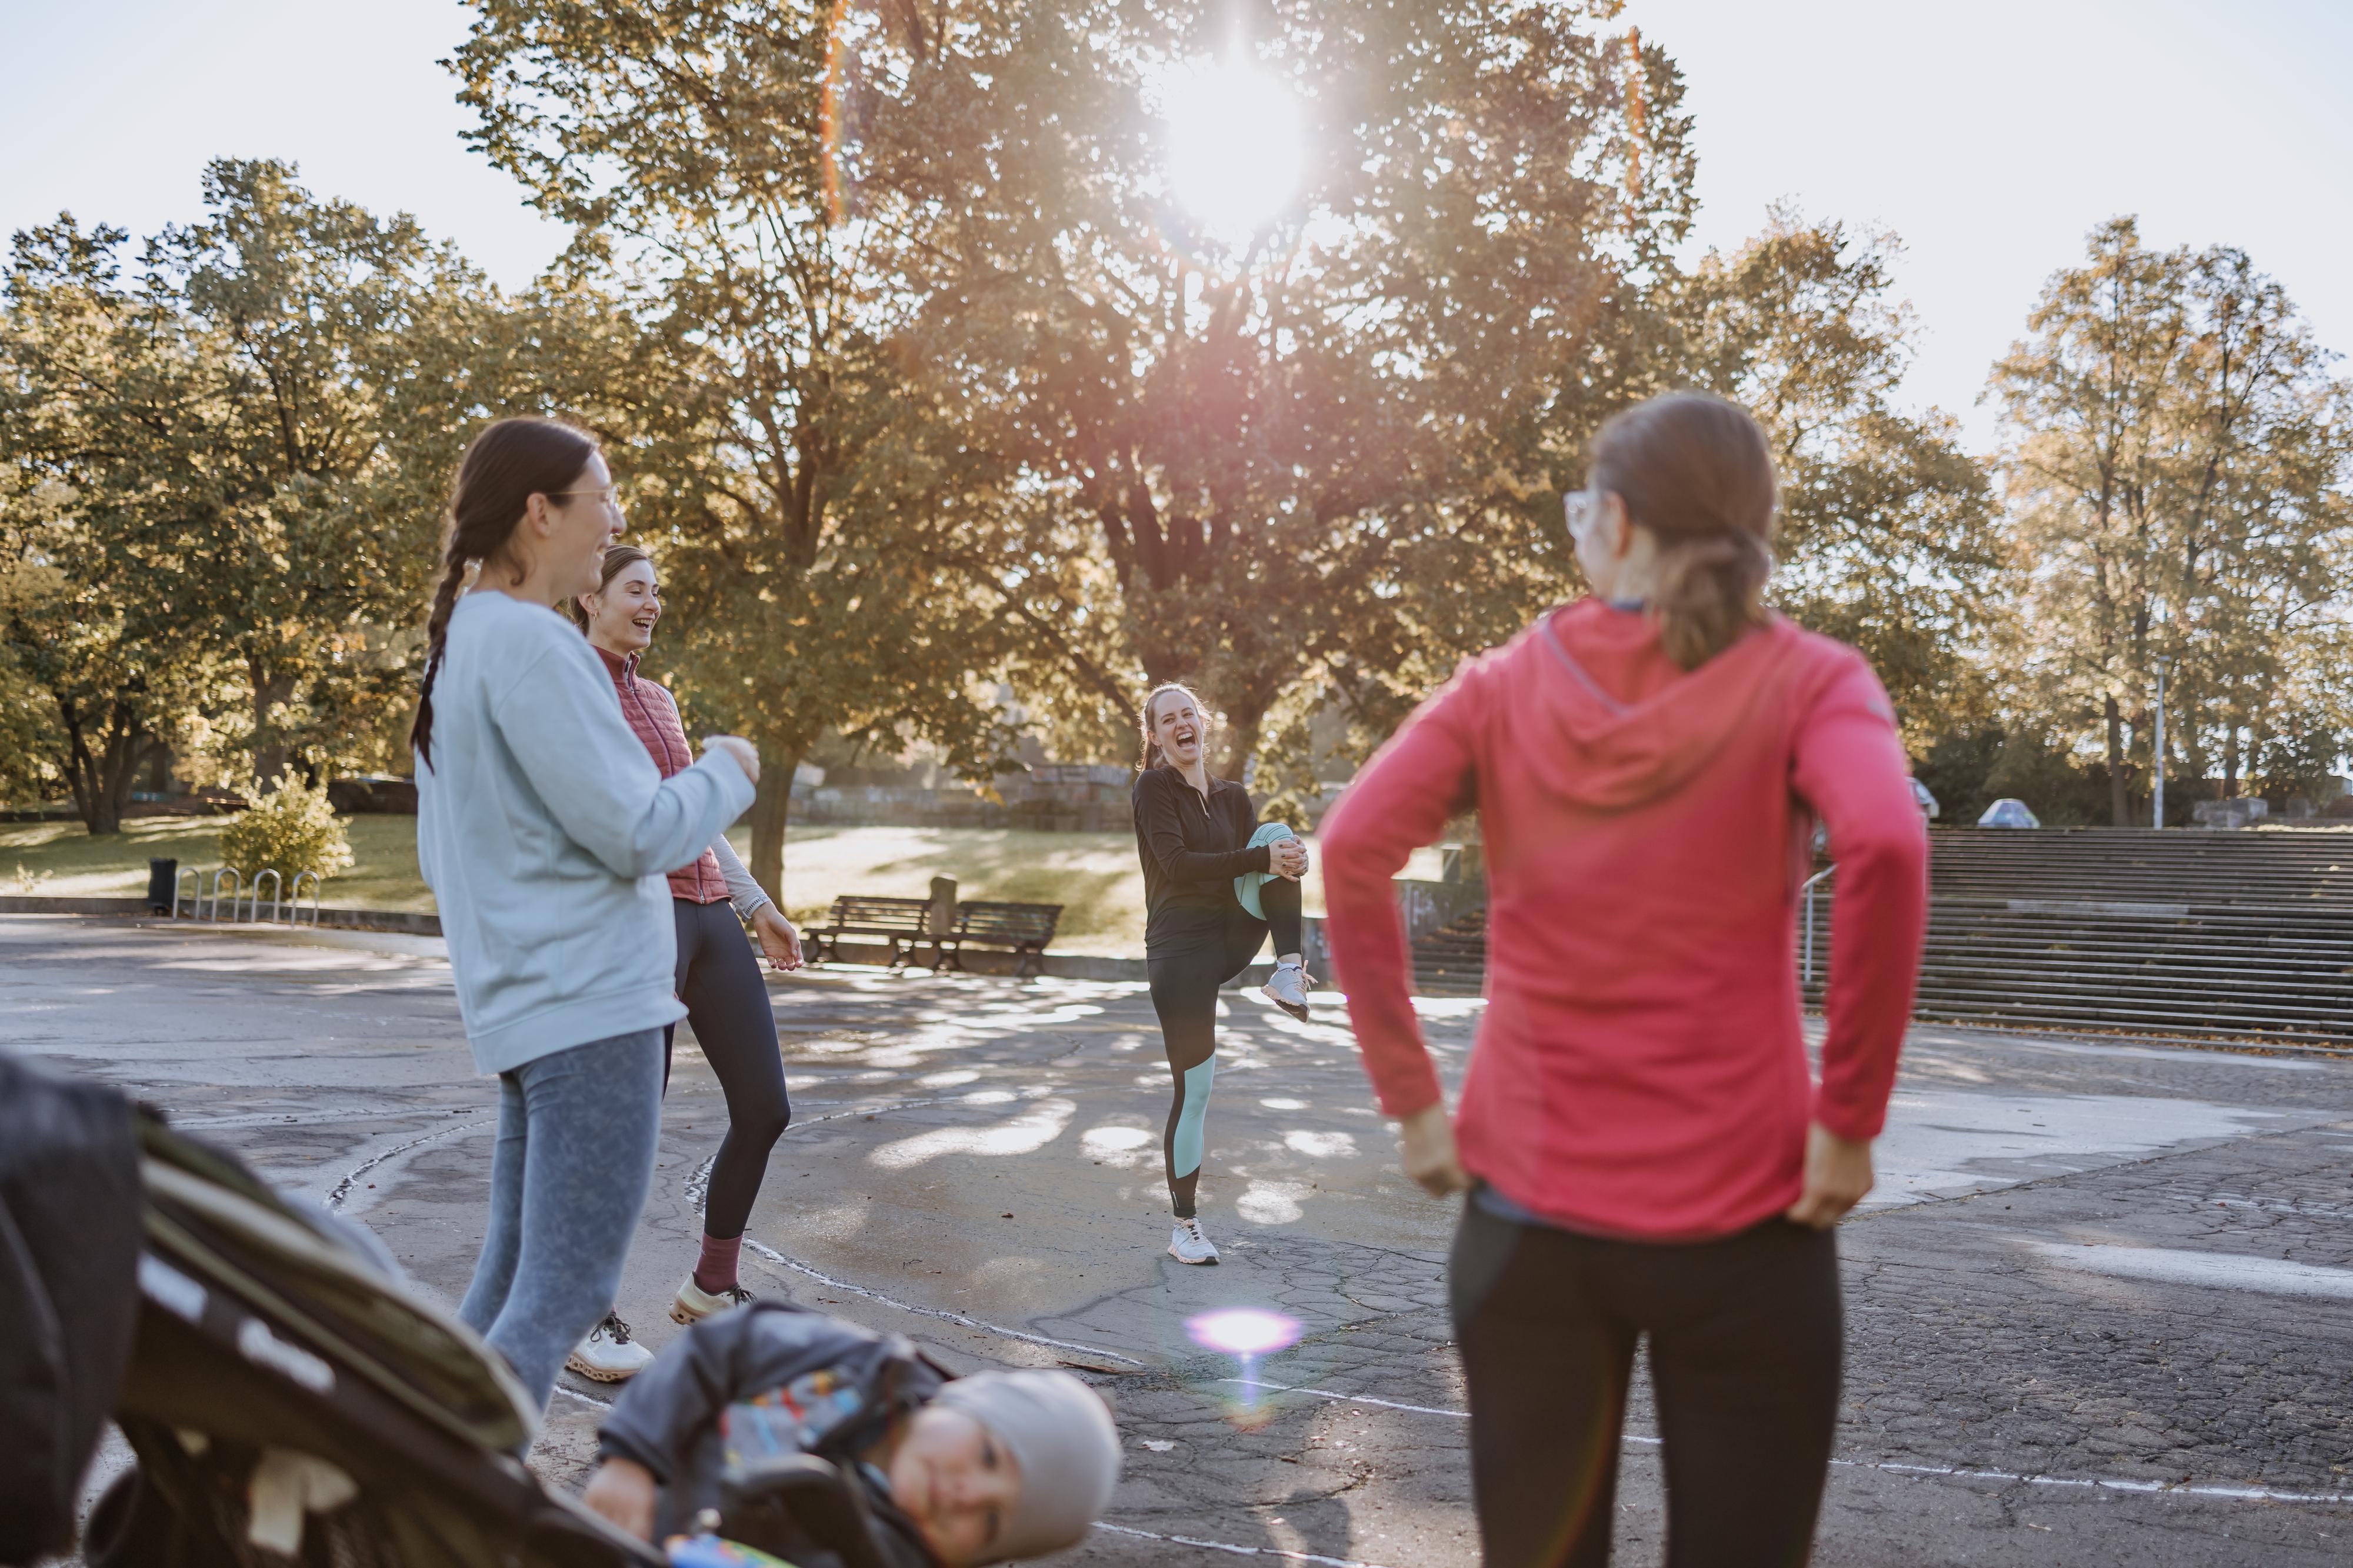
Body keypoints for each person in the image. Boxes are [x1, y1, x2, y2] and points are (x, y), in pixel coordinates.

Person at [1318, 391, 1927, 1568]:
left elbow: (1350, 848)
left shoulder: (1501, 685)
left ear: (1615, 521)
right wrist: (1846, 1121)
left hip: (1526, 1225)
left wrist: (1411, 1098)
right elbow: (1889, 846)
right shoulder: (1809, 678)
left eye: (1578, 507)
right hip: (1751, 1222)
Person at [412, 416, 759, 1413]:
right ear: (540, 513)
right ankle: (458, 1512)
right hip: (592, 1009)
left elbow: (452, 858)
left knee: (507, 1286)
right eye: (601, 498)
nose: (613, 521)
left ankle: (406, 1486)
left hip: (529, 1005)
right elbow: (641, 831)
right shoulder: (532, 646)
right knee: (562, 1297)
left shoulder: (464, 645)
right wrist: (723, 773)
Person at [568, 545, 804, 1374]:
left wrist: (758, 906)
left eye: (657, 592)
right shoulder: (575, 692)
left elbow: (695, 819)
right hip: (642, 922)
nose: (652, 604)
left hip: (711, 921)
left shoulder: (660, 696)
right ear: (590, 597)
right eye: (637, 589)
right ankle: (585, 1312)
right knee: (626, 1130)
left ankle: (712, 1284)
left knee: (766, 1105)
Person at [581, 1302, 1120, 1567]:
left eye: (993, 1521)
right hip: (631, 1514)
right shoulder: (854, 1367)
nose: (969, 1494)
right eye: (987, 1456)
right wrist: (634, 1460)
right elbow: (719, 1347)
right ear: (964, 1400)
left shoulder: (890, 1557)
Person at [1130, 683, 1311, 1266]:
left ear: (1203, 725)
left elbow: (1252, 869)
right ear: (1155, 736)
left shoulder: (1234, 796)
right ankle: (1185, 1226)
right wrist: (1262, 860)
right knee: (1196, 1089)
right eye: (1168, 719)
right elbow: (1178, 866)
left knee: (1277, 834)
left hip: (1231, 936)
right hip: (1179, 951)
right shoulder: (1153, 787)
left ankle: (1289, 970)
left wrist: (1286, 859)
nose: (1181, 724)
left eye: (1189, 714)